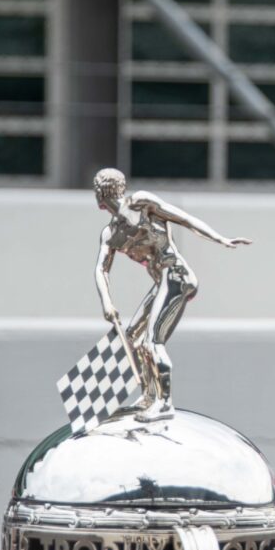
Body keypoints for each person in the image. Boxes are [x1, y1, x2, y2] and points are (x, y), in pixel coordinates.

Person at [93, 168, 251, 420]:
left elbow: (184, 219)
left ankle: (164, 402)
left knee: (151, 341)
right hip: (162, 281)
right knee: (132, 336)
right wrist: (107, 304)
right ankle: (148, 395)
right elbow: (101, 269)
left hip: (177, 276)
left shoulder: (141, 203)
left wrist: (221, 239)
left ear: (100, 193)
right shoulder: (111, 233)